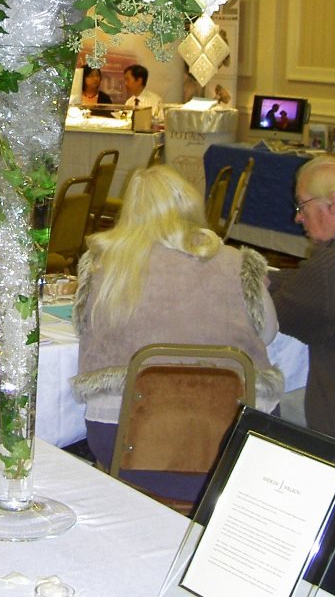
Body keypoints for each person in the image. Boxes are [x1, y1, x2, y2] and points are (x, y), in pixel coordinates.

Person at [72, 165, 283, 499]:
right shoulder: (236, 263)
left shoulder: (103, 265)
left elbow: (85, 328)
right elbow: (268, 333)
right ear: (190, 205)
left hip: (126, 442)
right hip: (234, 443)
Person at [270, 154, 335, 443]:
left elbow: (277, 315)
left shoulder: (333, 268)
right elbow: (307, 285)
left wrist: (251, 277)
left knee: (254, 404)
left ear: (333, 203)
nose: (297, 217)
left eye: (302, 205)